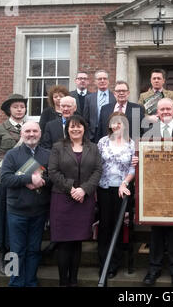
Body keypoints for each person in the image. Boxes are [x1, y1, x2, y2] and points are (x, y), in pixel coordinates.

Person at [48, 115, 102, 287]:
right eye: (72, 126)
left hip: (83, 201)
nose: (75, 129)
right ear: (67, 129)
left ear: (84, 128)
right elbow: (53, 171)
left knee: (77, 241)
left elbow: (98, 171)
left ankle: (74, 280)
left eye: (79, 126)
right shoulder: (58, 147)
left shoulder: (93, 147)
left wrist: (84, 189)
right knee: (64, 242)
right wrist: (71, 188)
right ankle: (63, 281)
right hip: (62, 199)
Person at [141, 98, 173, 287]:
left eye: (168, 108)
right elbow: (144, 157)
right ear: (157, 112)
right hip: (156, 190)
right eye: (162, 109)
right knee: (156, 232)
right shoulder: (148, 131)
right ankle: (154, 270)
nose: (165, 111)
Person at [1, 121, 51, 287]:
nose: (31, 134)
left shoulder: (47, 154)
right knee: (15, 251)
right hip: (16, 211)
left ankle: (30, 282)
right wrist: (29, 179)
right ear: (22, 134)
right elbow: (5, 179)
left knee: (33, 250)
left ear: (40, 133)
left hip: (38, 211)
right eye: (28, 131)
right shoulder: (11, 154)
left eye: (34, 131)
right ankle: (15, 283)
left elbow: (53, 179)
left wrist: (42, 181)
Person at [0, 94, 27, 275]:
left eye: (22, 107)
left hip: (24, 179)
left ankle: (17, 256)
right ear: (9, 110)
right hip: (2, 180)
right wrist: (2, 170)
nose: (19, 109)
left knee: (17, 220)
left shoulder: (30, 129)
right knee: (1, 217)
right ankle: (3, 254)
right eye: (15, 107)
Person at [97, 112, 136, 279]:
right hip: (104, 189)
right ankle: (103, 262)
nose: (116, 126)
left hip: (122, 190)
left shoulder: (131, 143)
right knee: (105, 225)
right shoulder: (102, 142)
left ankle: (115, 263)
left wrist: (124, 183)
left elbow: (132, 168)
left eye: (120, 123)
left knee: (118, 227)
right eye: (114, 123)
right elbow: (97, 165)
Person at [83, 70, 116, 142]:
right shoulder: (89, 98)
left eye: (105, 78)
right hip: (93, 135)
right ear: (95, 82)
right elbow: (85, 119)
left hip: (111, 133)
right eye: (99, 79)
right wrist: (88, 134)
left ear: (108, 81)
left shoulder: (115, 97)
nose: (102, 81)